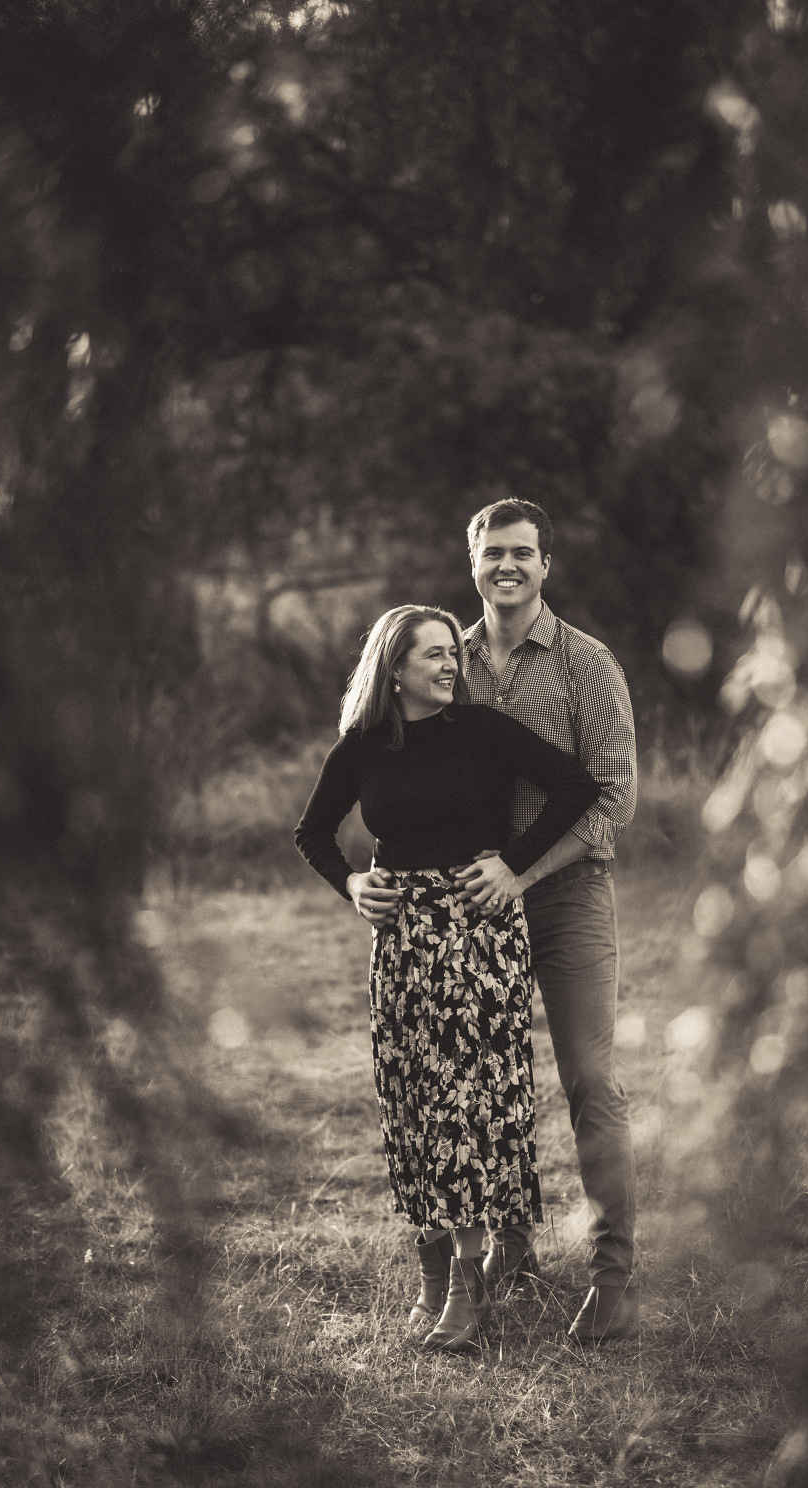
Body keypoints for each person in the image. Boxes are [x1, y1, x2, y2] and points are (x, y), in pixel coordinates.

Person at [294, 604, 601, 1354]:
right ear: (393, 668)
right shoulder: (362, 746)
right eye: (432, 654)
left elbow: (577, 787)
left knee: (469, 1104)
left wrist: (514, 865)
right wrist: (351, 884)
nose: (449, 664)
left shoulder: (483, 731)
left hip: (478, 932)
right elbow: (311, 833)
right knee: (412, 1102)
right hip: (403, 942)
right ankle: (433, 1276)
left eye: (451, 654)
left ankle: (469, 1285)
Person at [454, 498, 639, 1343]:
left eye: (521, 552)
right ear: (472, 562)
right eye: (493, 551)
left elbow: (613, 803)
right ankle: (511, 1246)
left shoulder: (584, 663)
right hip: (474, 902)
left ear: (545, 565)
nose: (507, 565)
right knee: (491, 1085)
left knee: (590, 1081)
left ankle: (613, 1278)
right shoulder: (445, 658)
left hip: (567, 896)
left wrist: (521, 871)